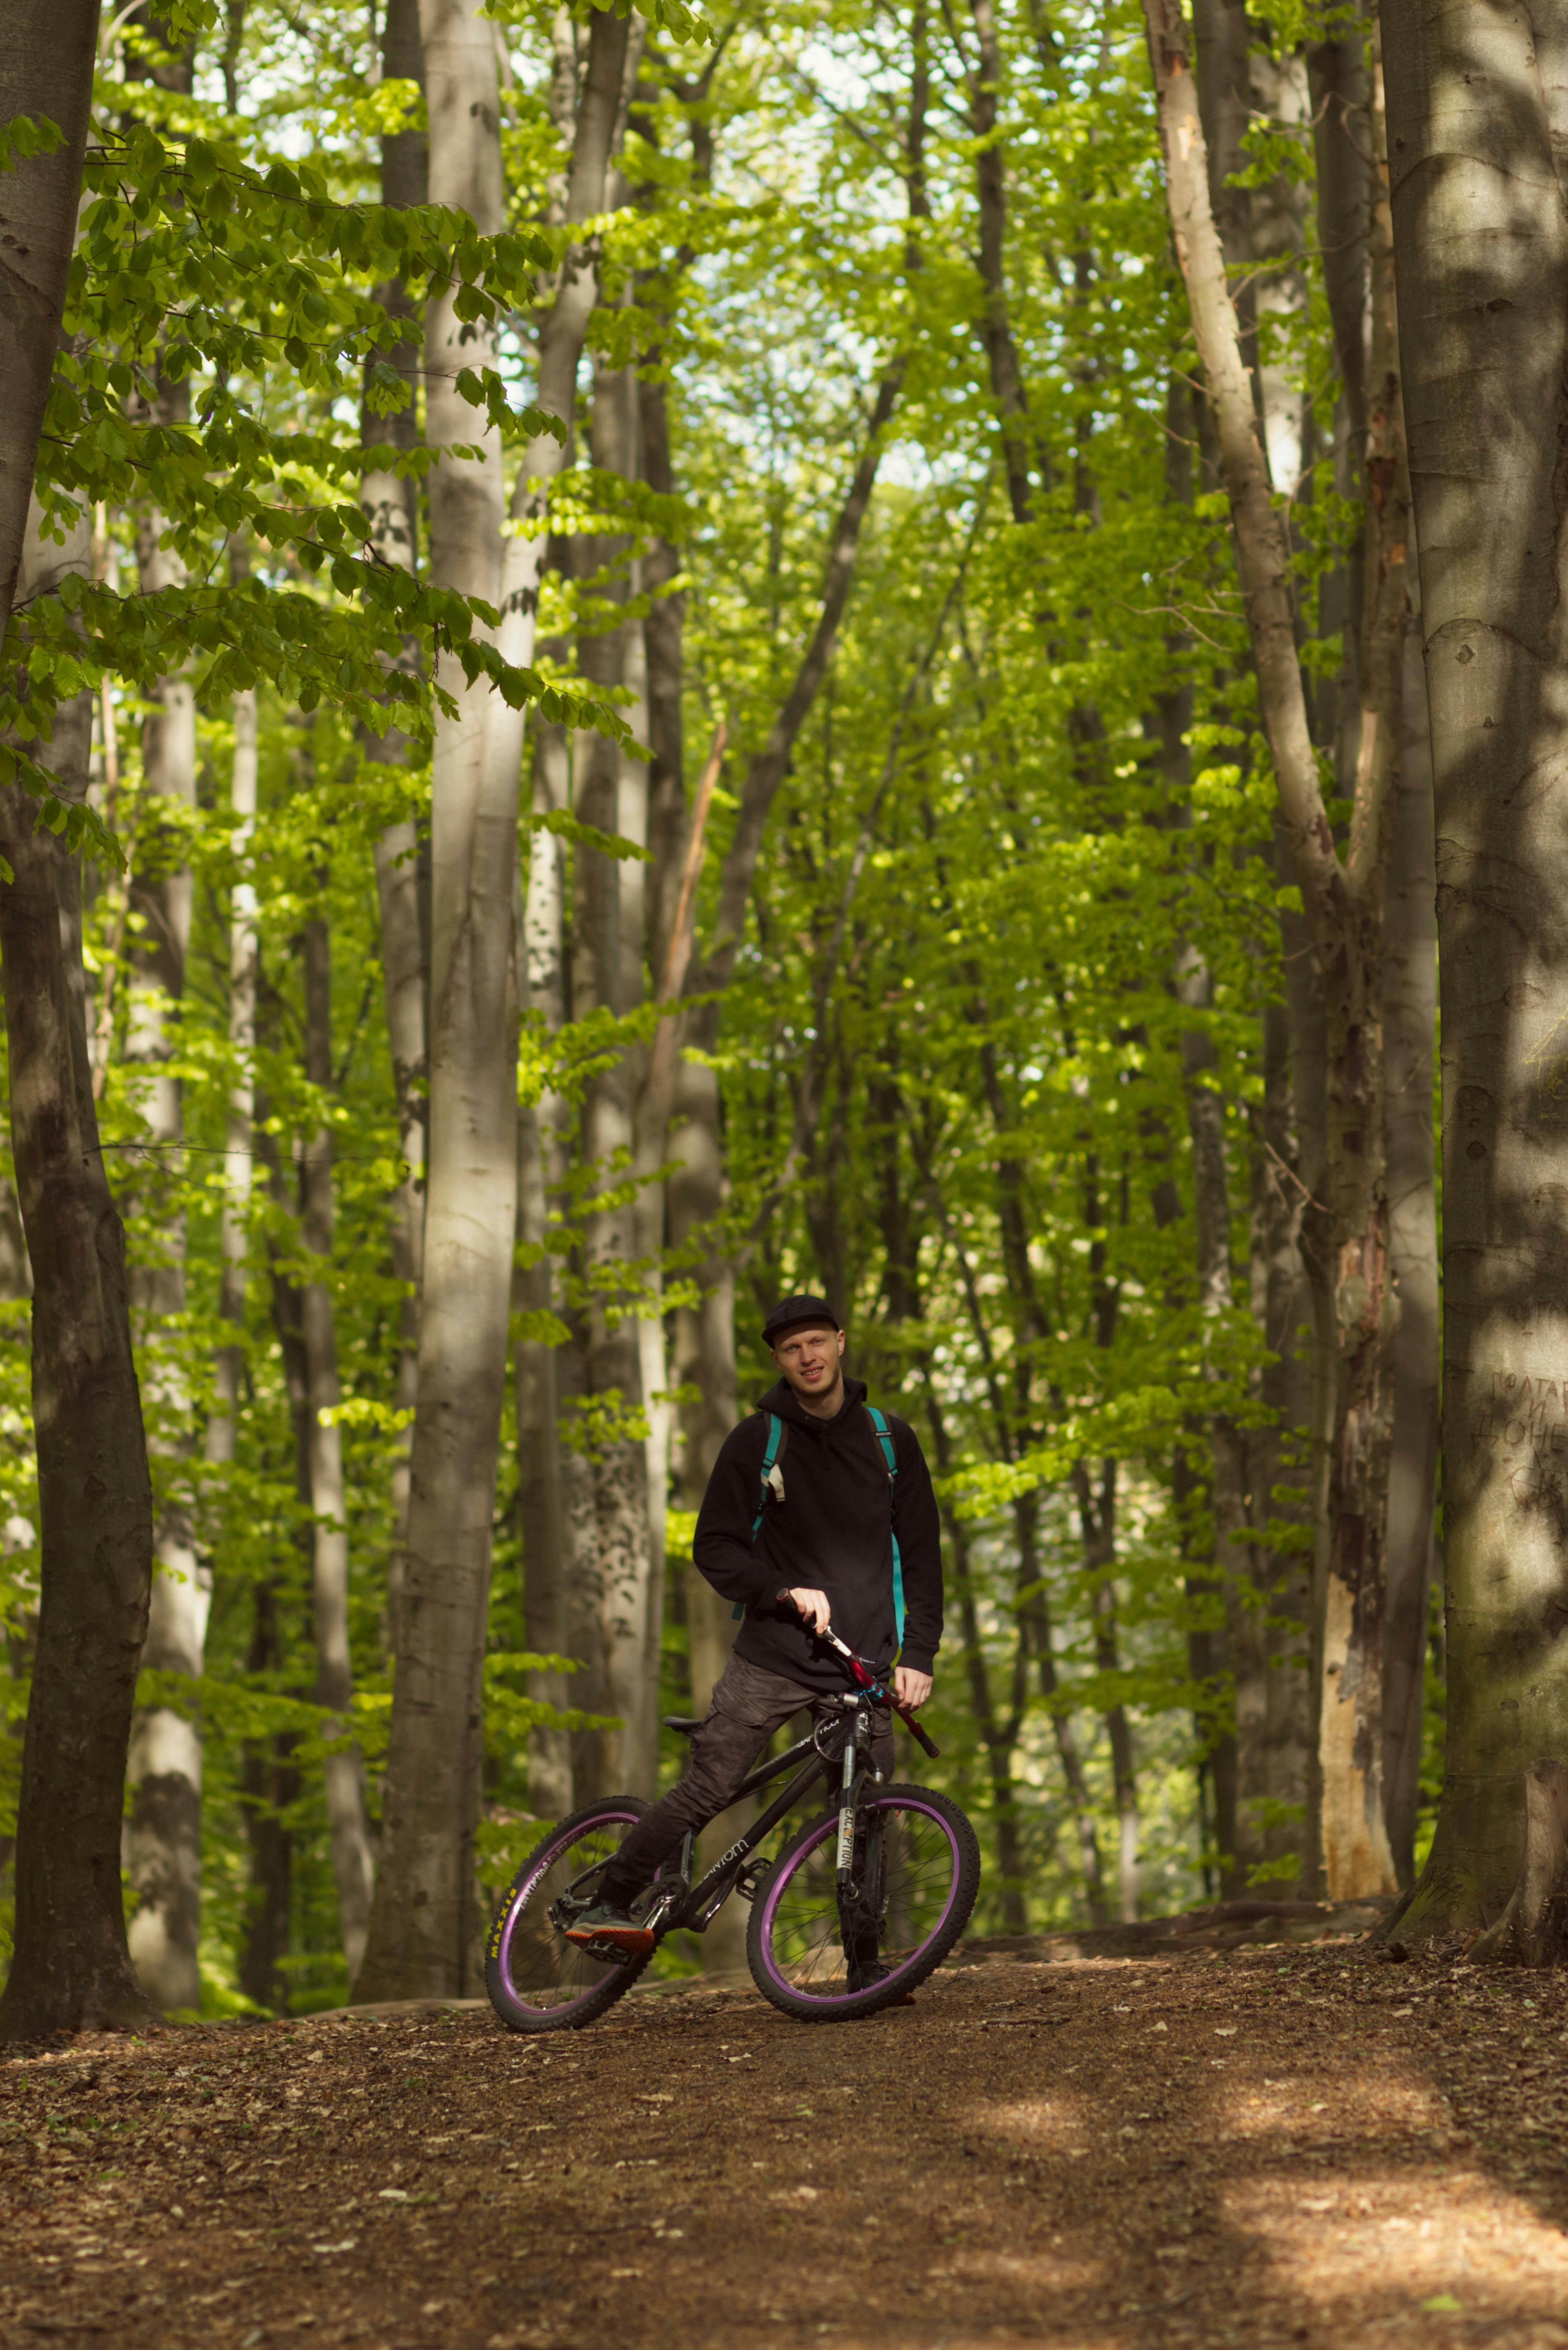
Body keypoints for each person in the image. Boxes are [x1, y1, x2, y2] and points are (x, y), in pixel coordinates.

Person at [565, 1292, 944, 1954]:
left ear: (840, 1343)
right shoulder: (758, 1439)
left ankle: (866, 1970)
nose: (808, 1357)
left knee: (867, 1815)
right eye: (793, 1349)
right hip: (771, 1658)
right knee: (710, 1787)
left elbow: (921, 1556)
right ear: (779, 1360)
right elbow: (714, 1545)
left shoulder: (891, 1440)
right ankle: (608, 1900)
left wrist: (920, 1653)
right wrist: (780, 1591)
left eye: (817, 1342)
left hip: (865, 1664)